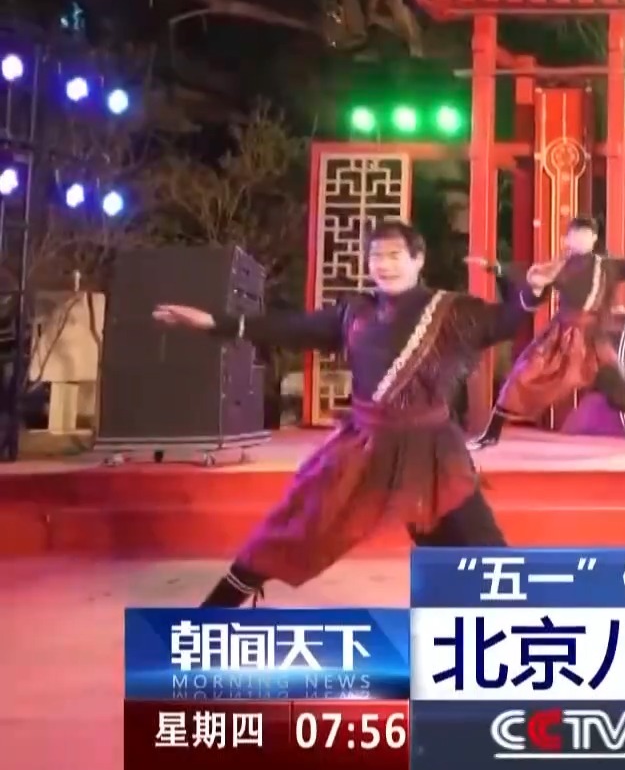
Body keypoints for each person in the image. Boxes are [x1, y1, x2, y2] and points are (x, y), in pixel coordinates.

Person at [151, 219, 558, 607]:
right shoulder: (354, 311)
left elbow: (504, 321)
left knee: (480, 546)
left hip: (433, 452)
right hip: (365, 447)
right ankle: (208, 616)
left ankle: (511, 632)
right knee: (293, 529)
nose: (385, 265)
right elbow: (291, 327)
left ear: (418, 260)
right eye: (376, 256)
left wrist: (533, 291)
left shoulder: (450, 310)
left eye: (395, 255)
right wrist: (216, 323)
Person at [466, 217, 625, 452]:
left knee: (617, 382)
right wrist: (496, 268)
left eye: (586, 235)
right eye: (576, 235)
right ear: (568, 239)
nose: (581, 240)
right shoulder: (560, 266)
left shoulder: (607, 266)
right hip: (561, 335)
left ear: (594, 239)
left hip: (593, 338)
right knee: (523, 375)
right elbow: (526, 274)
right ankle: (490, 435)